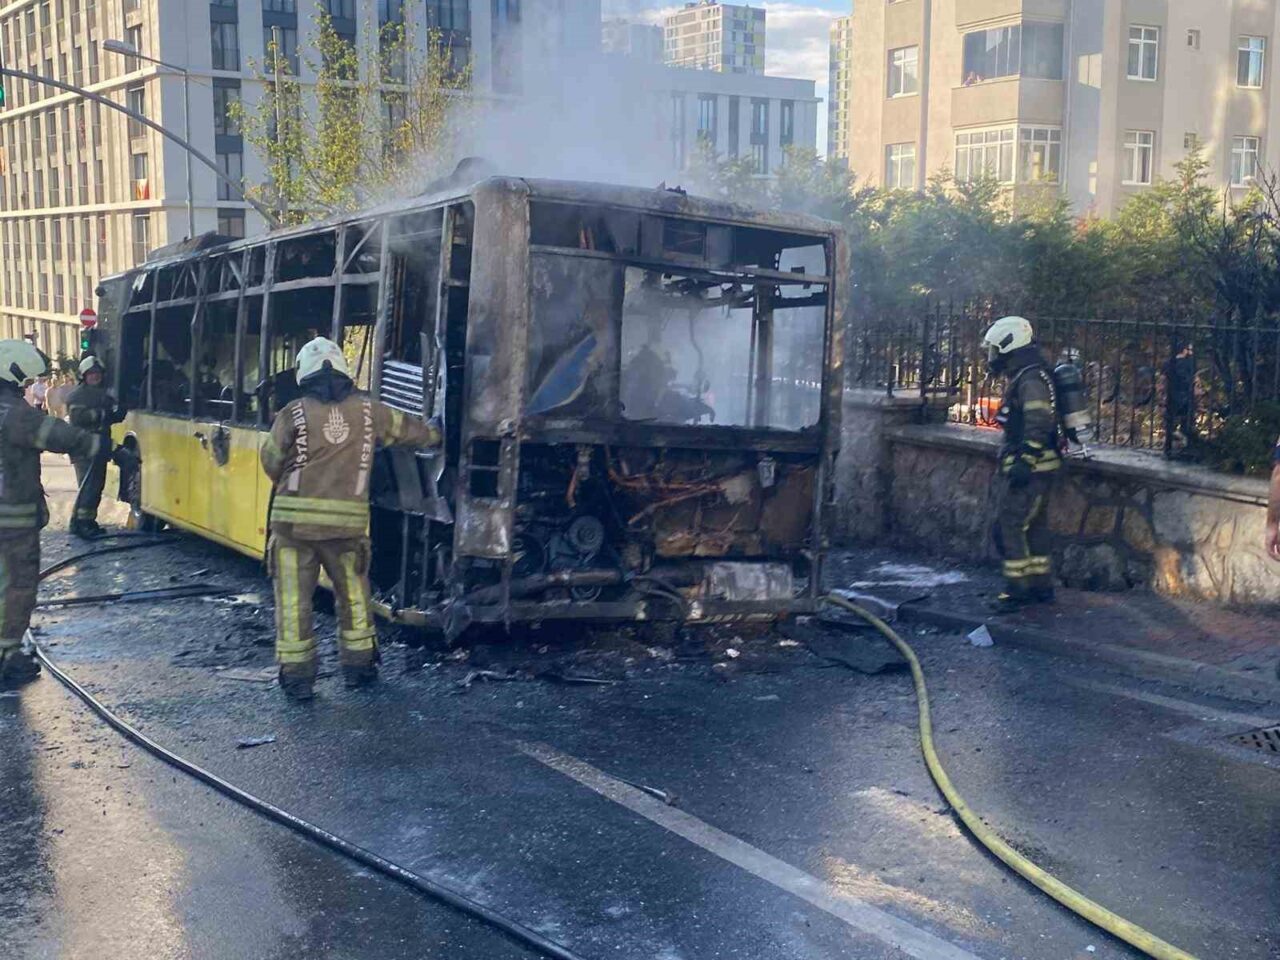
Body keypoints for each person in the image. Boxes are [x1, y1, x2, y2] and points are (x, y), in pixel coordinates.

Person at [260, 337, 441, 700]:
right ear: (343, 369)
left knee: (294, 603)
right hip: (346, 530)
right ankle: (359, 668)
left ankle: (298, 679)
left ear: (303, 373)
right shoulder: (369, 412)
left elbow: (271, 461)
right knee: (355, 598)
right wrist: (436, 430)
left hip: (293, 529)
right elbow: (414, 433)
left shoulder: (292, 413)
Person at [0, 340, 103, 686]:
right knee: (17, 586)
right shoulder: (13, 414)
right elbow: (59, 435)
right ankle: (7, 657)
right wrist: (103, 447)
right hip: (11, 521)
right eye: (28, 382)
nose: (31, 388)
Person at [981, 316, 1062, 612]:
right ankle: (1041, 586)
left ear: (1009, 345)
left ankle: (1017, 589)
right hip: (1042, 467)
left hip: (1032, 468)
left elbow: (1038, 422)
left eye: (995, 350)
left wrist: (1025, 461)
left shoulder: (1030, 380)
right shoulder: (1031, 373)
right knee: (1035, 528)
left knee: (1010, 525)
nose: (992, 357)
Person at [66, 355, 127, 539]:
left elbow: (108, 418)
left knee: (96, 486)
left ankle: (84, 521)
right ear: (83, 376)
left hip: (100, 447)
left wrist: (118, 413)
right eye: (91, 373)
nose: (95, 376)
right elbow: (79, 418)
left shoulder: (104, 394)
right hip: (83, 448)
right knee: (88, 487)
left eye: (98, 373)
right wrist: (103, 413)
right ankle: (83, 524)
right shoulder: (77, 395)